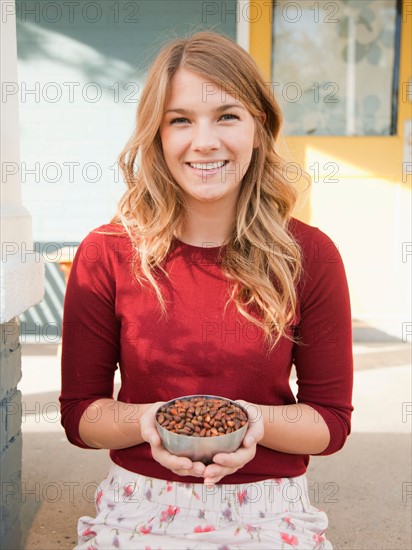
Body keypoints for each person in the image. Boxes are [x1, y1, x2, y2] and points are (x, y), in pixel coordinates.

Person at [60, 30, 353, 550]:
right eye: (180, 120)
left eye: (227, 116)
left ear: (259, 129)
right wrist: (149, 421)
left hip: (270, 509)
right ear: (157, 135)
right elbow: (82, 415)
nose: (205, 141)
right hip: (137, 506)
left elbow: (329, 423)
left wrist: (253, 423)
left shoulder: (310, 256)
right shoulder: (105, 253)